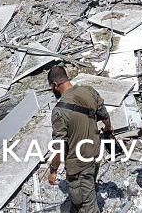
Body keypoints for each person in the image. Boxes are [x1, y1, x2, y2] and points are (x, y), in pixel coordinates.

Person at [47, 65, 113, 213]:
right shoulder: (89, 91)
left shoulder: (59, 111)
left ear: (55, 85)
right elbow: (104, 115)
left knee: (86, 206)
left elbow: (60, 147)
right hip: (95, 154)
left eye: (51, 87)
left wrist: (53, 170)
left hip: (79, 165)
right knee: (85, 193)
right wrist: (108, 128)